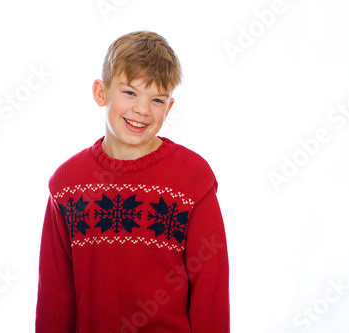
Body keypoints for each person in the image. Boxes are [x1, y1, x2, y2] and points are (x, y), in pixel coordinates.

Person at [35, 30, 229, 333]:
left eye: (157, 99)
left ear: (169, 108)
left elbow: (210, 292)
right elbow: (54, 297)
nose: (142, 109)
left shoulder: (193, 179)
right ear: (101, 92)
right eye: (129, 92)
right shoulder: (66, 185)